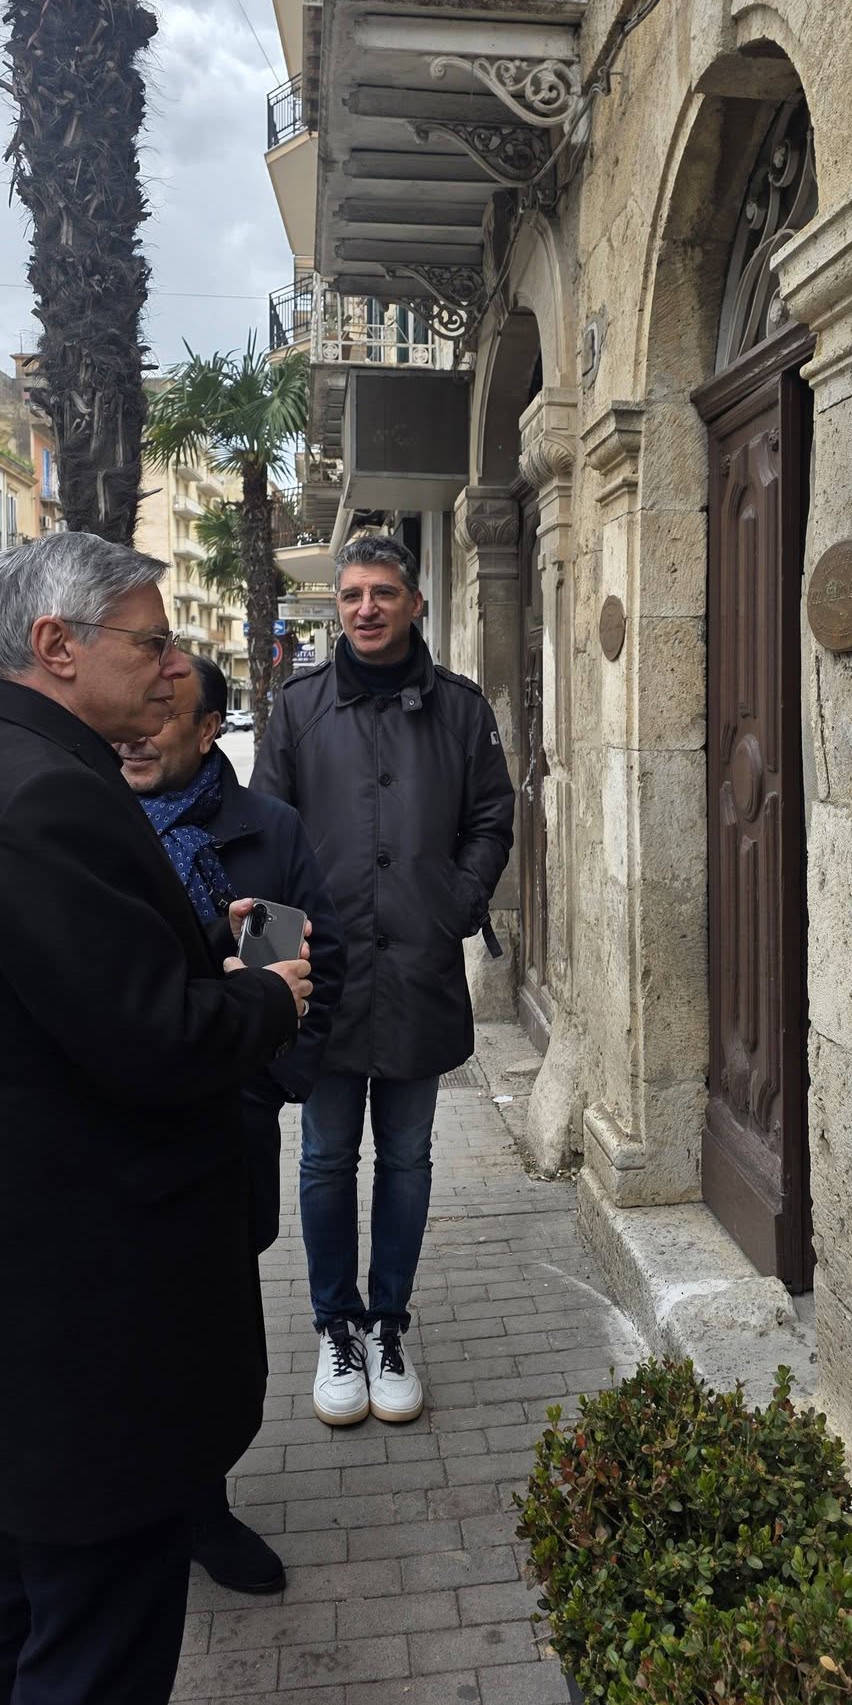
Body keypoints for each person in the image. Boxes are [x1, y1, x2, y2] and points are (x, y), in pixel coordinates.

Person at [0, 532, 311, 1705]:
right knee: (94, 1647)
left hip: (25, 1294)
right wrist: (267, 995)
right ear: (58, 646)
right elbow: (155, 1041)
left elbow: (83, 989)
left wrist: (196, 950)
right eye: (151, 638)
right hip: (86, 1308)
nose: (172, 664)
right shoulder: (46, 794)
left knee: (16, 1596)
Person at [253, 532, 514, 1428]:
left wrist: (459, 902)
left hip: (417, 968)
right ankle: (337, 1325)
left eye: (383, 592)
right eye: (352, 593)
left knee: (406, 1158)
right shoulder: (295, 711)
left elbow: (491, 816)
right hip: (321, 983)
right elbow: (265, 842)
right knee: (325, 1159)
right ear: (339, 606)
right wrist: (269, 984)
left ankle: (389, 1319)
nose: (366, 607)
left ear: (415, 604)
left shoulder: (461, 710)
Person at [117, 651, 345, 1595]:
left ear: (211, 728)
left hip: (224, 1125)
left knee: (209, 1331)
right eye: (132, 711)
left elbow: (303, 979)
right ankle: (131, 1513)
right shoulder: (81, 823)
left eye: (162, 713)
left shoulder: (264, 830)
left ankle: (203, 1509)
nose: (137, 730)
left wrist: (262, 1085)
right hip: (113, 1136)